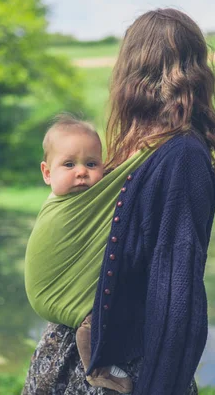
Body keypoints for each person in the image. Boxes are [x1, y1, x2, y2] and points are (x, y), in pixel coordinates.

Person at [23, 7, 215, 395]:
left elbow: (175, 288)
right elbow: (166, 286)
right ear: (194, 71)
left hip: (112, 369)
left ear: (135, 68)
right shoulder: (139, 148)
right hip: (88, 361)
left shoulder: (178, 156)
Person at [26, 114, 145, 393]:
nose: (81, 171)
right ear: (46, 172)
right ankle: (99, 369)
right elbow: (122, 180)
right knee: (95, 318)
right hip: (50, 294)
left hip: (52, 293)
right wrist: (147, 150)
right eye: (69, 164)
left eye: (91, 164)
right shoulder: (67, 207)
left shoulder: (84, 199)